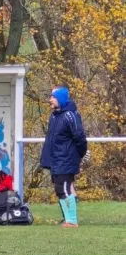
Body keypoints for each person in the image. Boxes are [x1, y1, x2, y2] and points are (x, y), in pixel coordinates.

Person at [41, 86, 87, 227]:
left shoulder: (70, 115)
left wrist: (80, 153)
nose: (50, 100)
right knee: (61, 189)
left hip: (66, 159)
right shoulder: (55, 115)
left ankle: (72, 221)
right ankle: (68, 219)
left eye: (53, 97)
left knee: (64, 188)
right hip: (56, 160)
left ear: (60, 98)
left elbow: (80, 137)